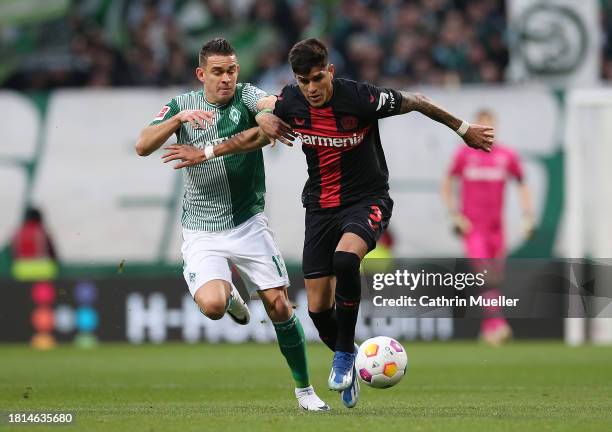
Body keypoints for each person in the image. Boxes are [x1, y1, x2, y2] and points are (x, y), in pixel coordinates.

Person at [161, 38, 493, 408]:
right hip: (320, 208)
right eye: (304, 81)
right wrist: (207, 150)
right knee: (318, 310)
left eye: (317, 78)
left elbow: (416, 100)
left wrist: (464, 129)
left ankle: (345, 357)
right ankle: (348, 353)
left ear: (330, 71)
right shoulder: (293, 103)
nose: (312, 88)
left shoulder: (360, 99)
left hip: (368, 200)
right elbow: (256, 136)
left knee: (346, 260)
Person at [135, 38, 328, 412]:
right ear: (201, 73)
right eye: (219, 72)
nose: (227, 78)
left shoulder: (246, 94)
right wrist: (176, 121)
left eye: (232, 70)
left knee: (280, 308)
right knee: (211, 305)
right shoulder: (181, 105)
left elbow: (268, 106)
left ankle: (304, 391)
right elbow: (142, 145)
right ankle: (233, 300)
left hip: (248, 223)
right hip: (201, 229)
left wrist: (265, 114)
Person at [441, 109, 534, 346]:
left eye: (490, 126)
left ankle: (488, 330)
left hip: (496, 228)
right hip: (473, 228)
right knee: (486, 277)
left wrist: (527, 215)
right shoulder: (464, 154)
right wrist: (454, 214)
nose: (486, 130)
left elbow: (522, 183)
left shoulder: (506, 155)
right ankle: (498, 325)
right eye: (482, 125)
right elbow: (447, 182)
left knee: (495, 277)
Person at [11, 206, 59, 281]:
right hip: (42, 270)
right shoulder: (42, 232)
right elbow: (52, 253)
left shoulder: (18, 233)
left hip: (22, 271)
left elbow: (13, 254)